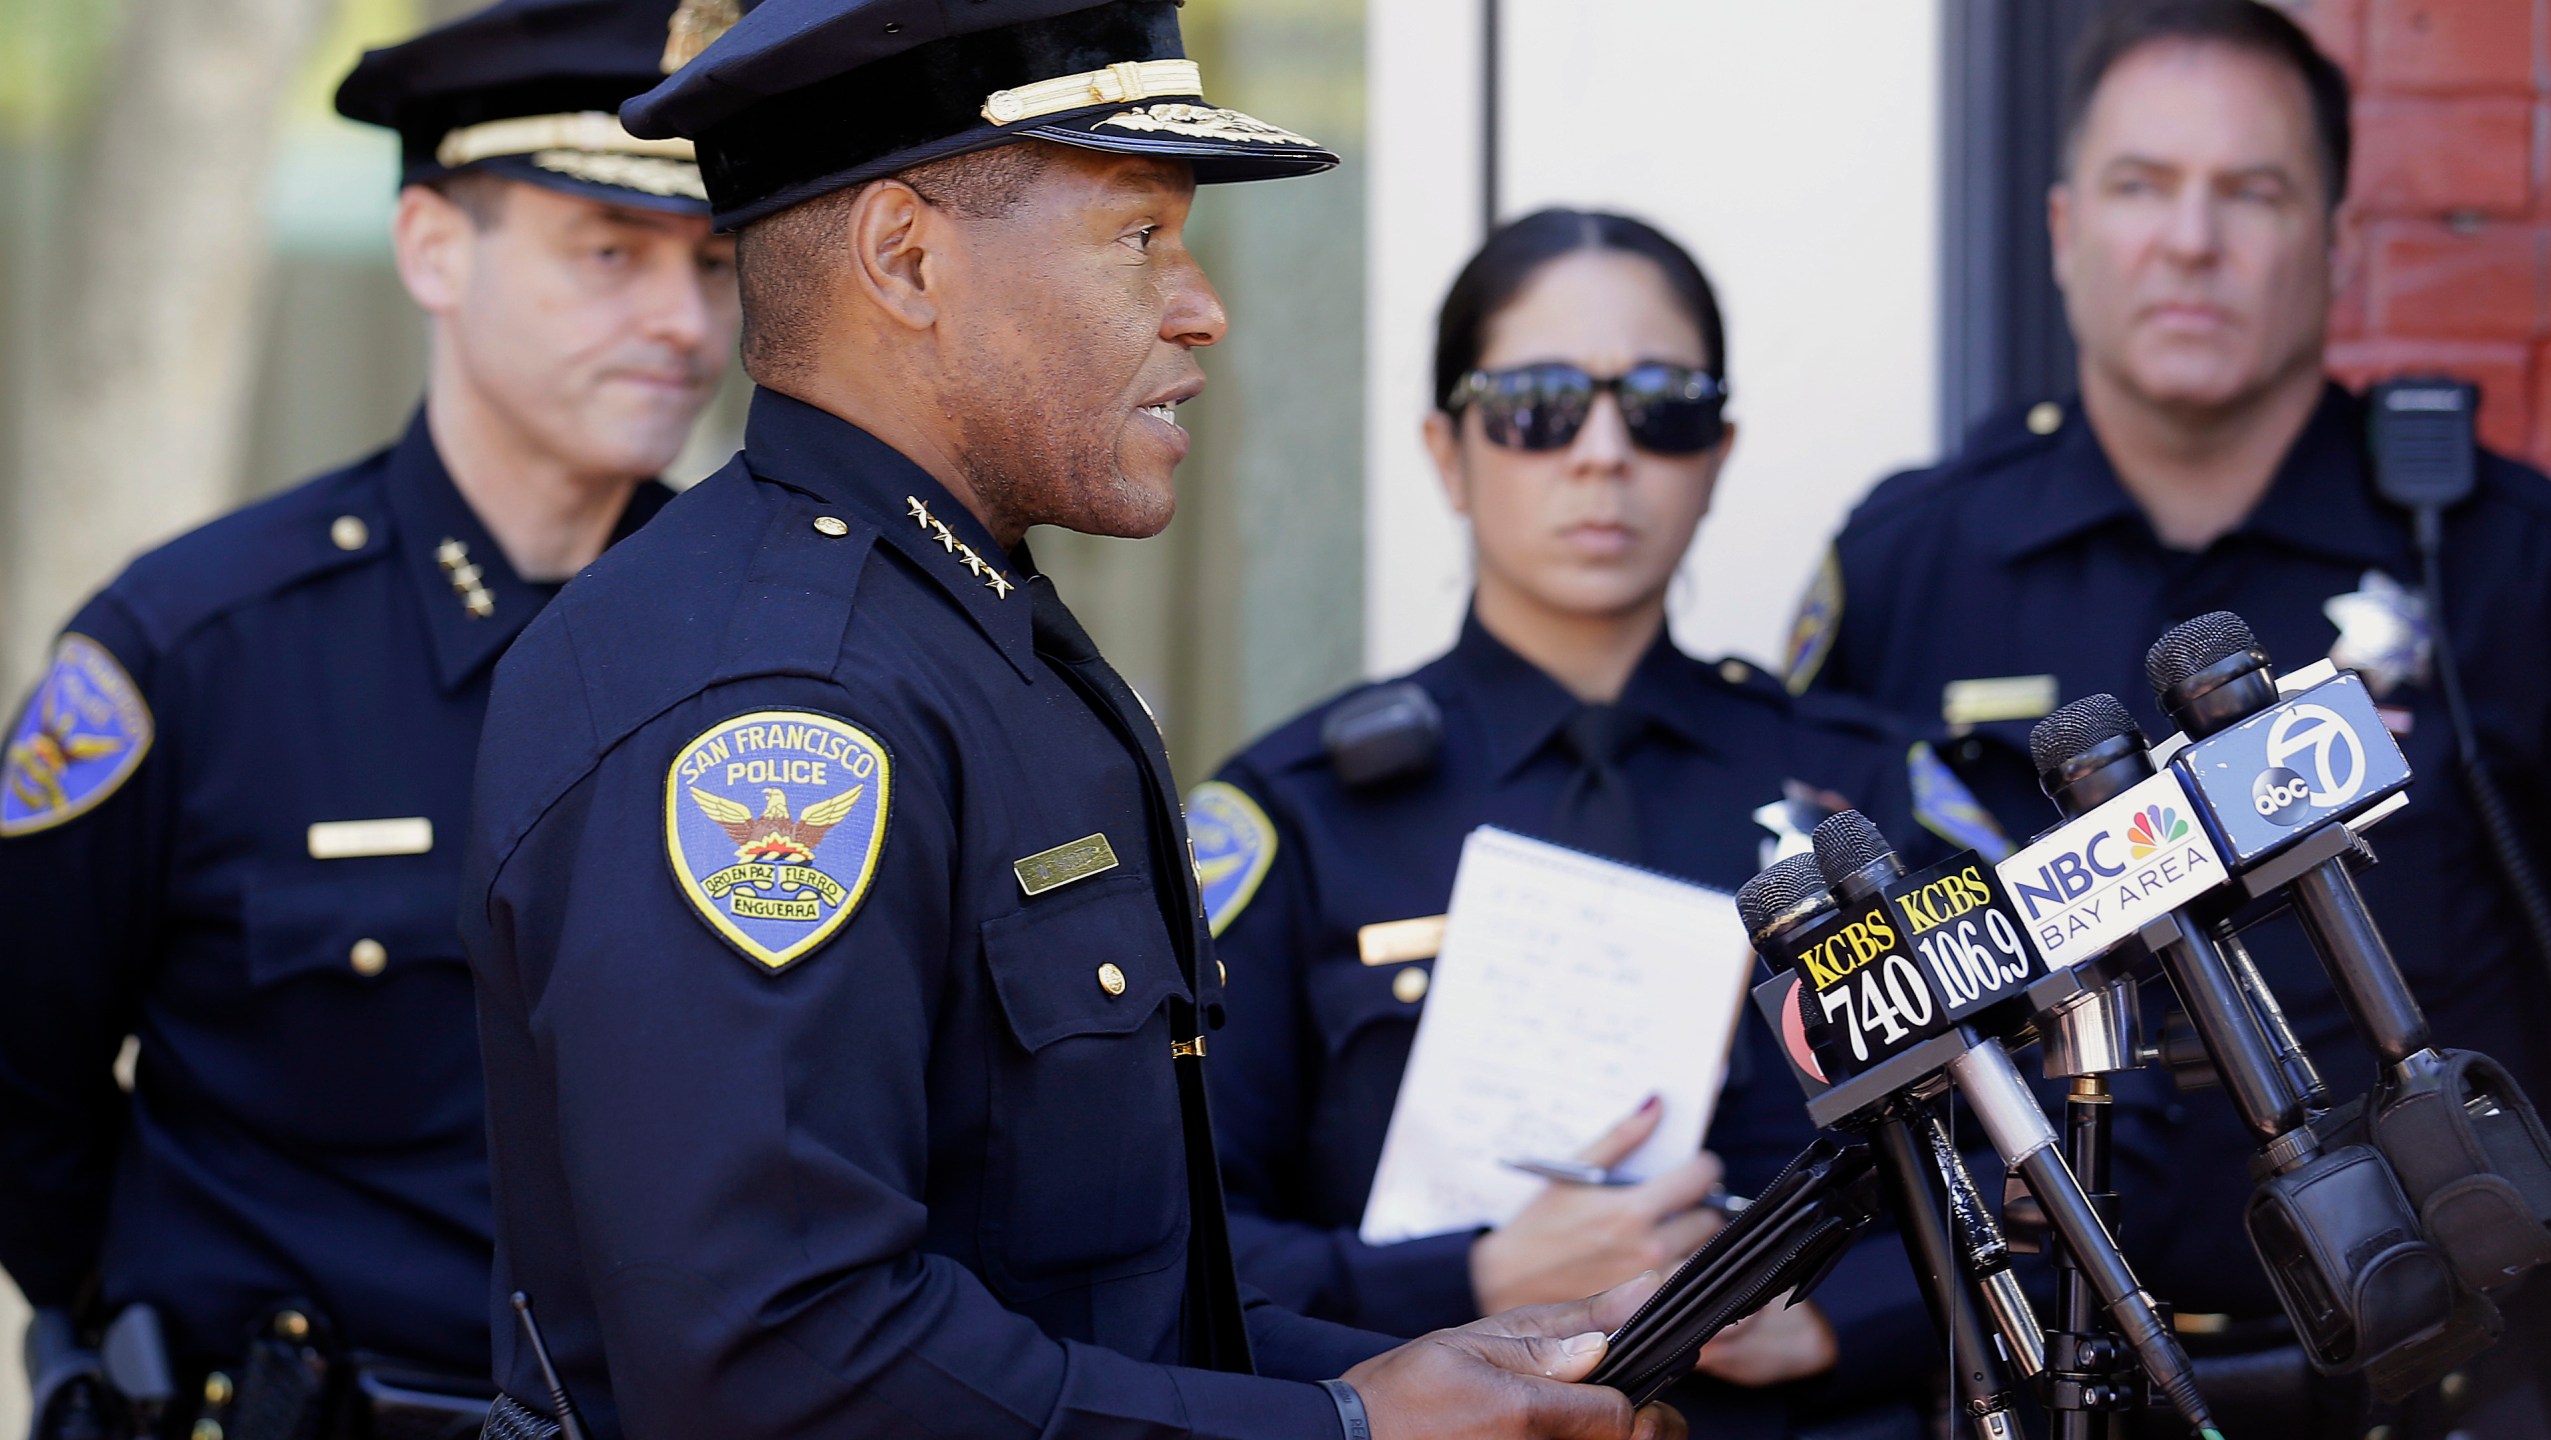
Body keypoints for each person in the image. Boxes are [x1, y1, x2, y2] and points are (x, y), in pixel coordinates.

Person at [459, 3, 1686, 1438]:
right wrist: (1346, 1432)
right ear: (906, 259)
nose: (1200, 306)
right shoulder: (778, 701)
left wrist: (1446, 1375)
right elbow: (787, 1364)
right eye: (1137, 237)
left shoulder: (958, 633)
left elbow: (1103, 1312)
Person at [1789, 1, 2551, 1434]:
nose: (2190, 241)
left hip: (2456, 1388)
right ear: (2065, 229)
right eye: (2143, 186)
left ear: (2334, 243)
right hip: (2037, 1387)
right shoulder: (1911, 566)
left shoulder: (2505, 562)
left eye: (2251, 192)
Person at [0, 1, 735, 1432]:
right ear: (432, 249)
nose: (683, 322)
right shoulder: (196, 650)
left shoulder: (767, 644)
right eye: (609, 253)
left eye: (713, 263)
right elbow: (23, 1081)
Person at [1193, 208, 1995, 1440]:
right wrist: (1469, 1283)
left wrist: (1844, 1318)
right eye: (1539, 406)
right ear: (1447, 452)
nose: (1604, 453)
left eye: (1662, 406)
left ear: (1718, 451)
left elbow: (2086, 1139)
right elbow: (1175, 1247)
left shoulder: (1865, 798)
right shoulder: (1297, 815)